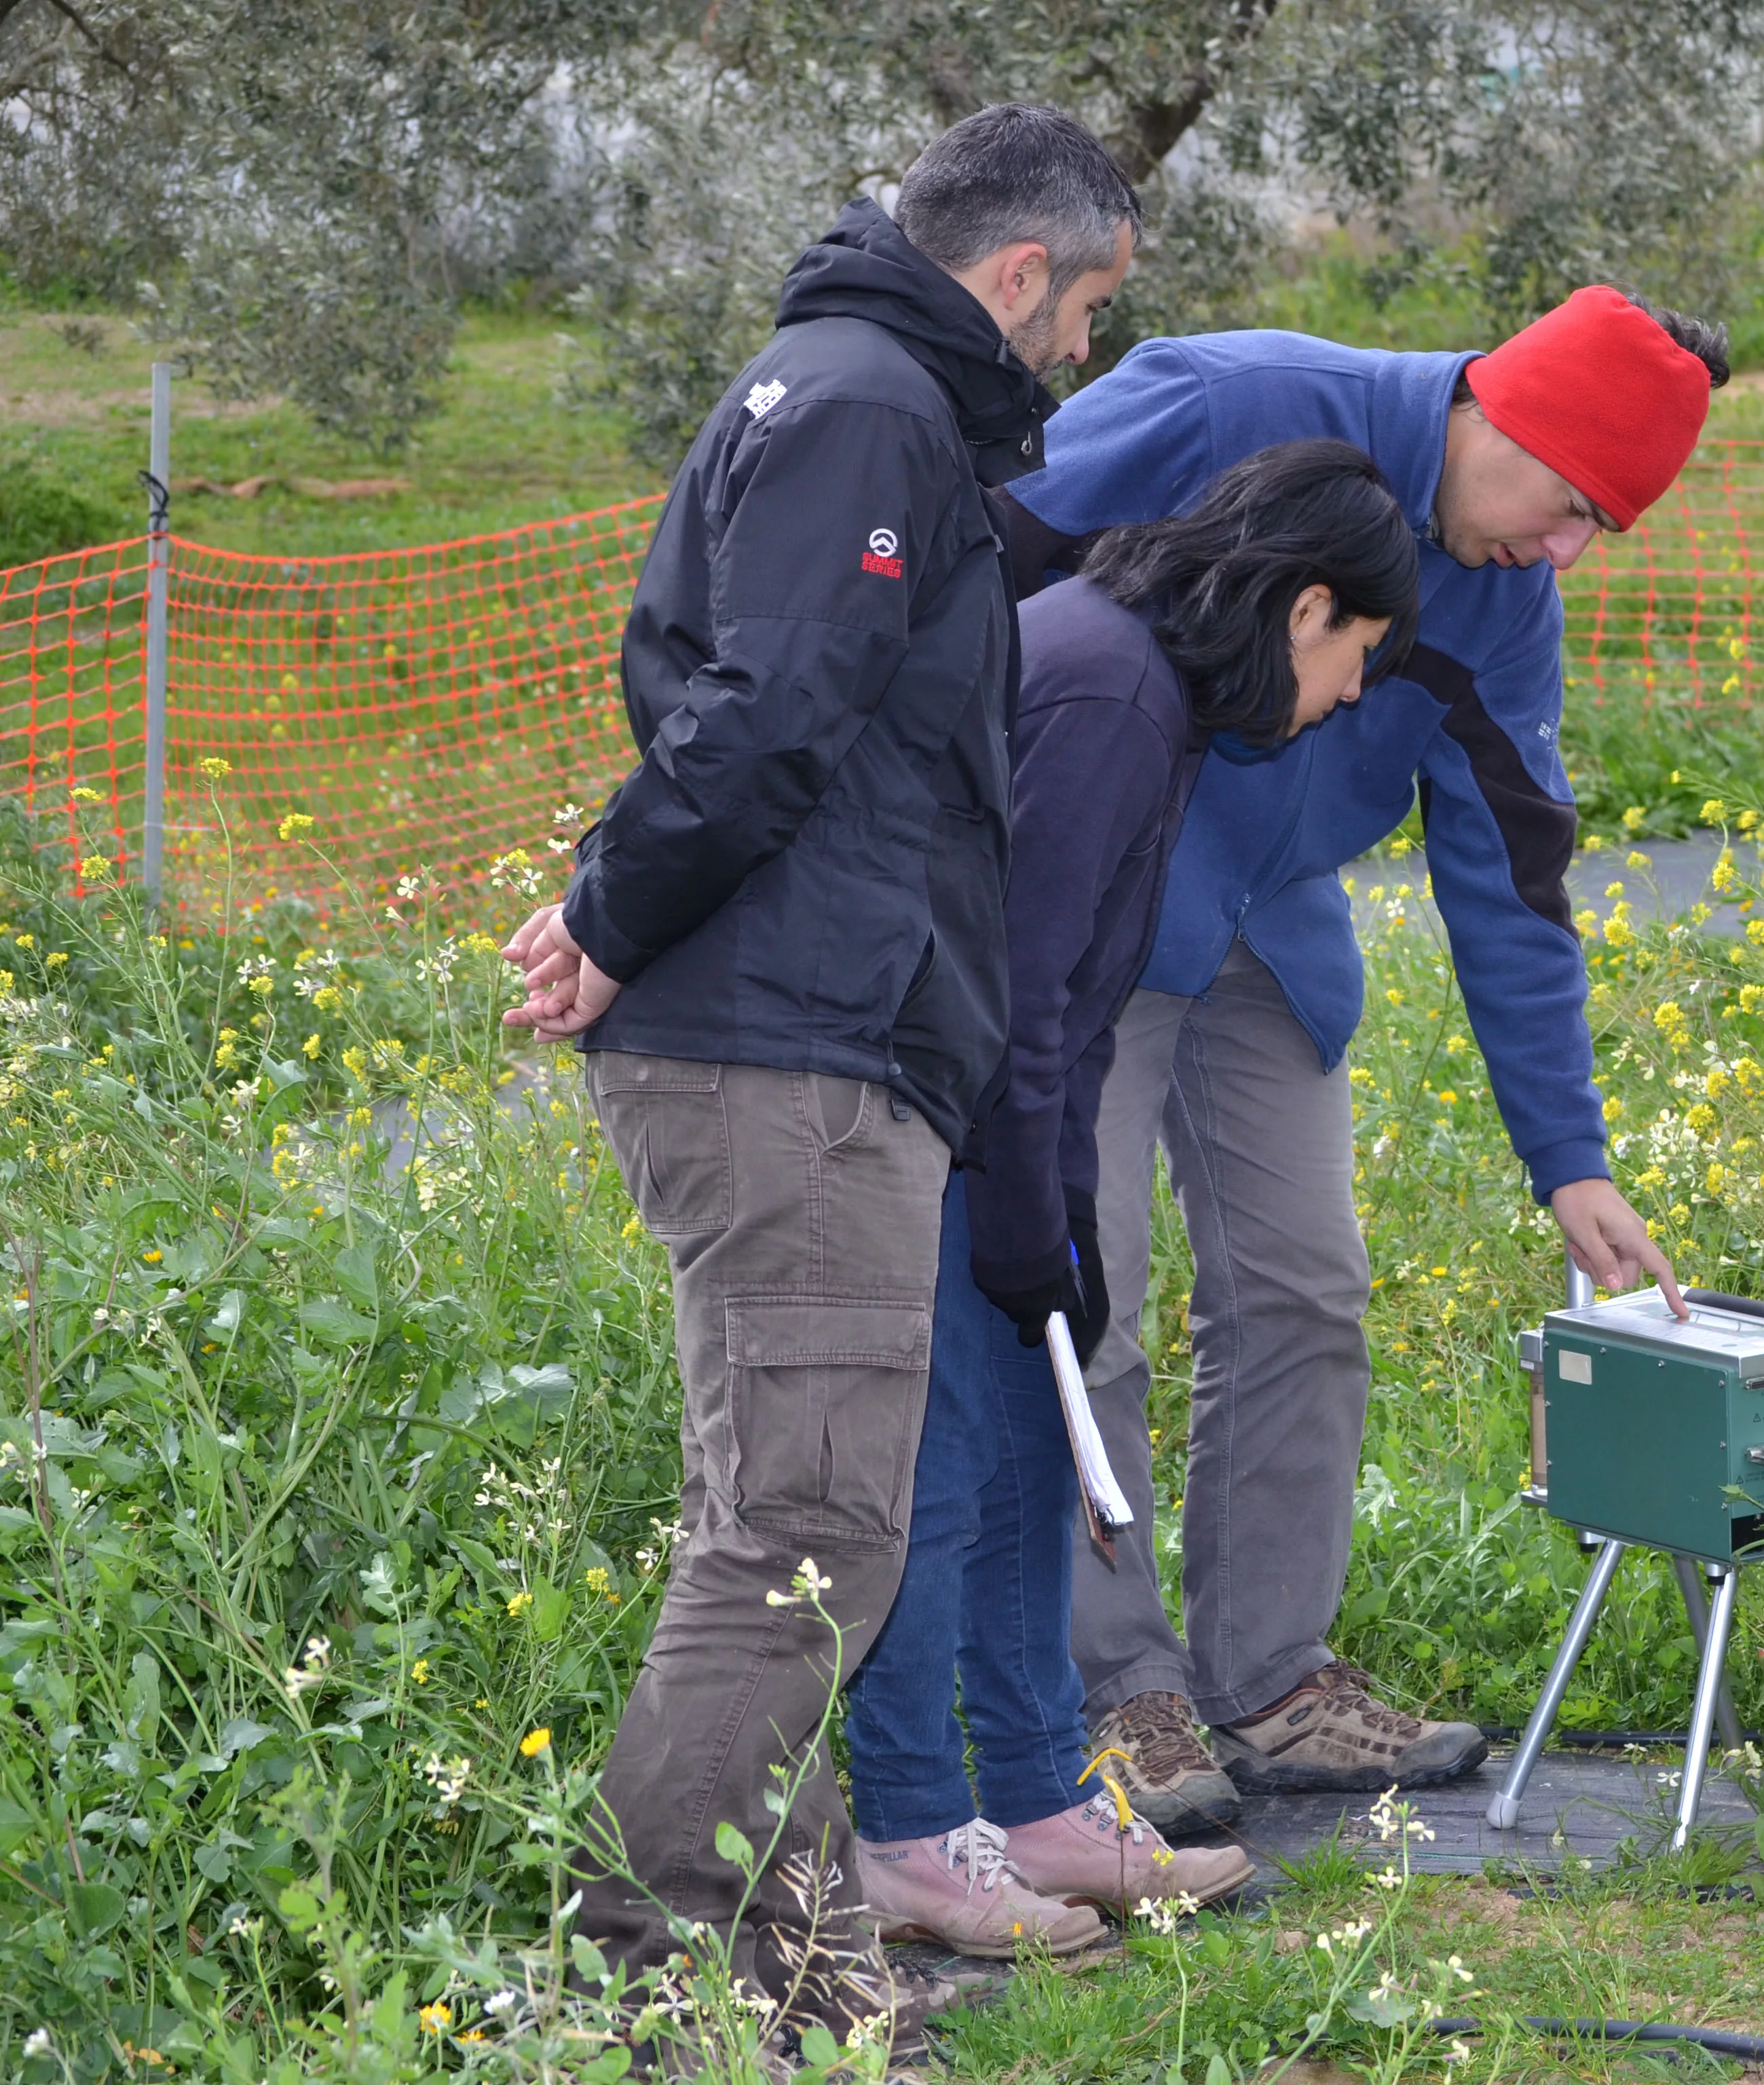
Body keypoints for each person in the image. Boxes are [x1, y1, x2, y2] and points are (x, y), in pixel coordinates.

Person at [494, 102, 1138, 2037]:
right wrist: (610, 910)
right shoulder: (866, 405)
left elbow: (769, 704)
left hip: (822, 1024)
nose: (1088, 349)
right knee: (802, 1540)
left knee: (802, 1529)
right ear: (1017, 274)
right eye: (1091, 306)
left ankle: (788, 1967)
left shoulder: (861, 396)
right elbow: (770, 711)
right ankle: (643, 1990)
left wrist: (613, 902)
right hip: (799, 1044)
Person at [994, 286, 1728, 1832]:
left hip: (1272, 941)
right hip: (1084, 917)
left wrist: (1570, 1155)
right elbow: (968, 551)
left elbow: (1513, 873)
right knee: (1087, 1294)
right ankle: (1113, 1690)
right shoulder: (1223, 405)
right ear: (1501, 419)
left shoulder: (1503, 597)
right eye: (1572, 506)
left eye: (1605, 530)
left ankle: (1268, 1680)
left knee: (1305, 1286)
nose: (1568, 551)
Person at [840, 439, 1421, 1948]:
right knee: (950, 1460)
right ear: (1305, 612)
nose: (1355, 693)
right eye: (1360, 653)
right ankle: (908, 1830)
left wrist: (1063, 1229)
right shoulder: (1109, 692)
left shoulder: (1148, 691)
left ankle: (1039, 1804)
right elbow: (1022, 997)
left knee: (1042, 1437)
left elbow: (1075, 994)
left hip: (973, 1095)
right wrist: (1035, 1225)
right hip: (899, 1088)